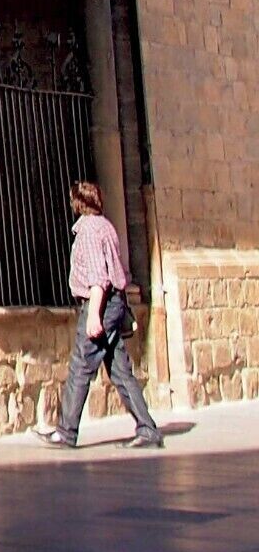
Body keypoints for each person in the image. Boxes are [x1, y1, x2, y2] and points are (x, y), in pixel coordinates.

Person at [34, 179, 164, 450]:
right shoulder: (106, 226)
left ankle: (66, 432)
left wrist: (93, 315)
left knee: (81, 366)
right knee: (120, 371)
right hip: (115, 303)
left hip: (101, 305)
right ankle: (148, 428)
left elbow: (99, 279)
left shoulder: (90, 232)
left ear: (77, 203)